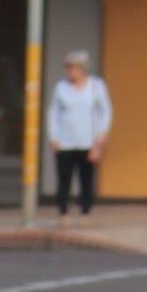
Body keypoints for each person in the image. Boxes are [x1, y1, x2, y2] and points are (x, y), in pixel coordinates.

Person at [46, 49, 111, 217]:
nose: (69, 72)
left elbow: (106, 111)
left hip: (88, 142)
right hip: (65, 142)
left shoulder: (96, 86)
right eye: (67, 68)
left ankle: (85, 210)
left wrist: (101, 137)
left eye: (72, 68)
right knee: (64, 178)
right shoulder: (61, 87)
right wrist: (53, 136)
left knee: (86, 179)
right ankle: (63, 209)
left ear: (82, 69)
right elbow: (53, 112)